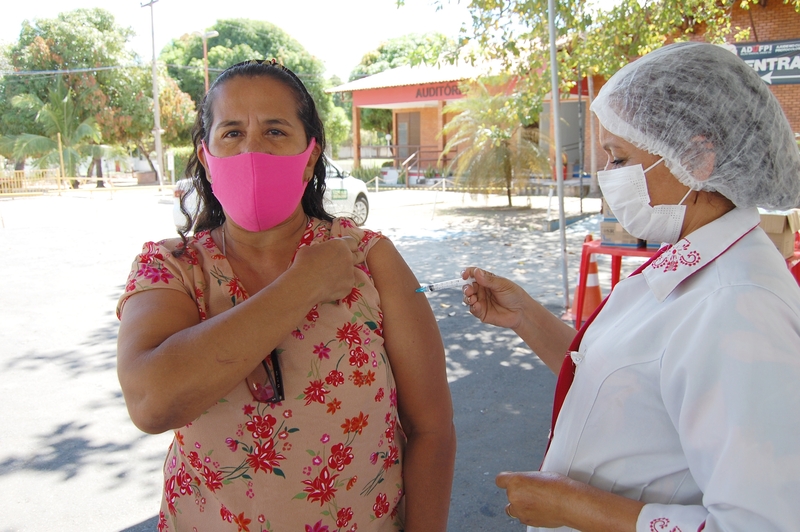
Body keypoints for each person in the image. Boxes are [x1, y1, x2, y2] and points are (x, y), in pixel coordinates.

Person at [462, 42, 800, 532]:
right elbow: (624, 388)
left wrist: (571, 507)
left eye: (619, 158)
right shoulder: (690, 256)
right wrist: (526, 317)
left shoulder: (739, 306)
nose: (607, 177)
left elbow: (763, 523)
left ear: (698, 159)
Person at [116, 59, 456, 532]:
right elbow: (151, 402)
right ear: (207, 156)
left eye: (275, 131)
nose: (252, 150)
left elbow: (431, 429)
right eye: (231, 133)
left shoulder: (371, 259)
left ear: (311, 155)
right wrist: (303, 286)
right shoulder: (172, 268)